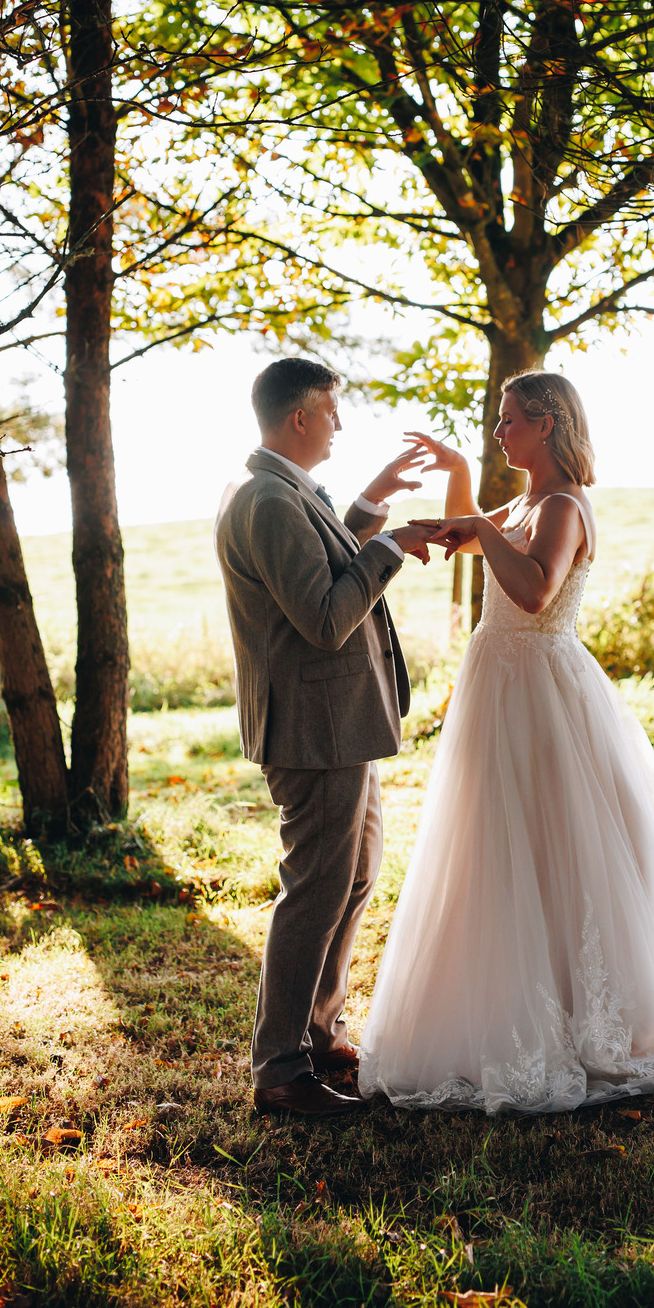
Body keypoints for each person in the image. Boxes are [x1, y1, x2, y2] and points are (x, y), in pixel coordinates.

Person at [358, 370, 654, 1113]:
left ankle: (583, 1011)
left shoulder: (565, 505)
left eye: (509, 420)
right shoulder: (524, 502)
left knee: (554, 835)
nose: (498, 432)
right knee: (499, 838)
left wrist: (478, 528)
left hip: (540, 688)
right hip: (499, 682)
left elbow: (536, 590)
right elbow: (478, 541)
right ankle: (520, 996)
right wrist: (457, 487)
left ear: (547, 424)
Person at [214, 357, 434, 1118]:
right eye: (330, 412)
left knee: (355, 874)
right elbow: (326, 615)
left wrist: (371, 504)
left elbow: (322, 555)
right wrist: (391, 548)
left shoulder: (282, 490)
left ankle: (317, 1029)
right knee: (314, 889)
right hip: (312, 730)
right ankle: (279, 1069)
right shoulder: (268, 500)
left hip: (336, 724)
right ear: (299, 417)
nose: (339, 424)